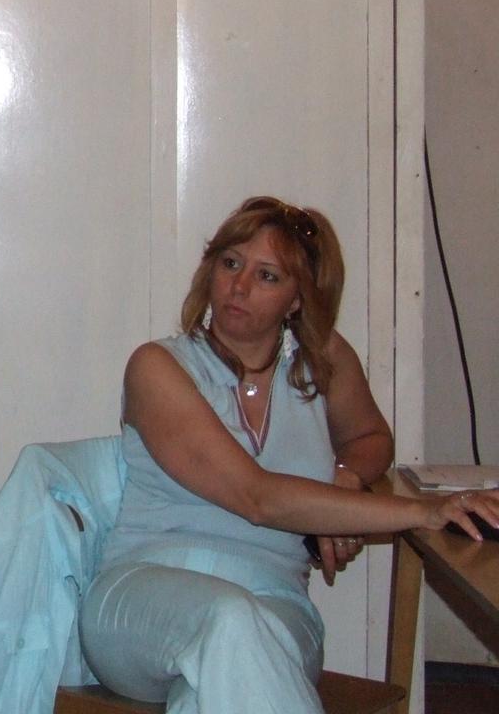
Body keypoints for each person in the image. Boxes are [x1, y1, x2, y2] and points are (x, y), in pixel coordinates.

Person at [78, 195, 499, 714]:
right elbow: (256, 497)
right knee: (230, 621)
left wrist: (345, 477)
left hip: (276, 598)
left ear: (298, 300)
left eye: (267, 276)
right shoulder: (157, 367)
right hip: (144, 594)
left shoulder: (322, 361)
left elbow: (372, 437)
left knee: (209, 690)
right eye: (230, 263)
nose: (239, 286)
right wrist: (424, 511)